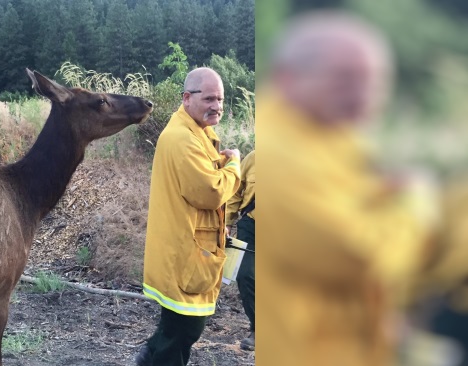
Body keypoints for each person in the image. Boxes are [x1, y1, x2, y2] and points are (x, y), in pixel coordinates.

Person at [256, 12, 439, 366]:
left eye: (376, 80)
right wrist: (414, 203)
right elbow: (362, 257)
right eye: (345, 79)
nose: (365, 94)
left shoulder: (333, 134)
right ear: (287, 78)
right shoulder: (278, 153)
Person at [136, 67, 242, 366]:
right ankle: (151, 358)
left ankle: (147, 358)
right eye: (209, 98)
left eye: (220, 99)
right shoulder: (183, 138)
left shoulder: (196, 133)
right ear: (186, 98)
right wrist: (234, 165)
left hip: (190, 251)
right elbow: (211, 192)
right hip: (185, 256)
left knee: (175, 330)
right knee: (182, 332)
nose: (217, 106)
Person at [225, 149, 255, 350]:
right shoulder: (253, 158)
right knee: (245, 275)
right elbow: (236, 191)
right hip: (251, 225)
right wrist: (227, 221)